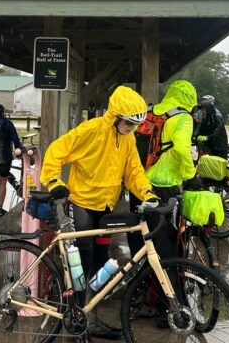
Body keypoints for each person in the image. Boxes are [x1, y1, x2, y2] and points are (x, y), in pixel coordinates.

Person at [41, 85, 157, 341]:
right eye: (128, 123)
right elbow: (55, 151)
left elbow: (134, 172)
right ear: (115, 115)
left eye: (135, 125)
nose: (132, 128)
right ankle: (78, 320)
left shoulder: (127, 138)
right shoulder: (90, 130)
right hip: (82, 202)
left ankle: (89, 316)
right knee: (82, 261)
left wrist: (147, 193)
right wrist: (53, 181)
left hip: (106, 206)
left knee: (100, 263)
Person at [128, 79, 198, 260]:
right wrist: (191, 174)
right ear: (190, 99)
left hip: (138, 183)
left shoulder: (149, 111)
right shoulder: (182, 117)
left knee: (139, 229)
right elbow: (182, 149)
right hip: (165, 185)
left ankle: (140, 274)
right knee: (165, 237)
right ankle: (165, 281)